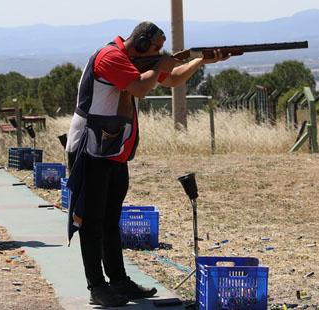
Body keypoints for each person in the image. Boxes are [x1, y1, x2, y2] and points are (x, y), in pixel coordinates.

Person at [64, 21, 230, 307]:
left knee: (111, 220)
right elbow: (140, 88)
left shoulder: (134, 60)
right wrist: (161, 64)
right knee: (92, 222)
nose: (157, 52)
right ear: (139, 42)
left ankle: (118, 281)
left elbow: (173, 78)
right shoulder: (111, 57)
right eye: (154, 47)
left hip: (113, 150)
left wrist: (202, 60)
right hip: (90, 150)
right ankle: (97, 286)